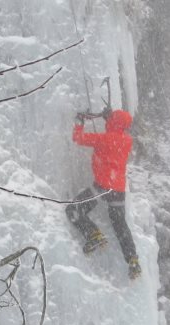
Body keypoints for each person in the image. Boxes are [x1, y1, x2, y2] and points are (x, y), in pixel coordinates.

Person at [66, 109, 142, 280]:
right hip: (118, 191)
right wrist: (111, 120)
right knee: (120, 225)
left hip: (102, 187)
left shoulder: (104, 139)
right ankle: (133, 261)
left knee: (73, 209)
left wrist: (79, 122)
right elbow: (117, 130)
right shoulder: (127, 141)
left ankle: (93, 234)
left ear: (112, 122)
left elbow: (78, 138)